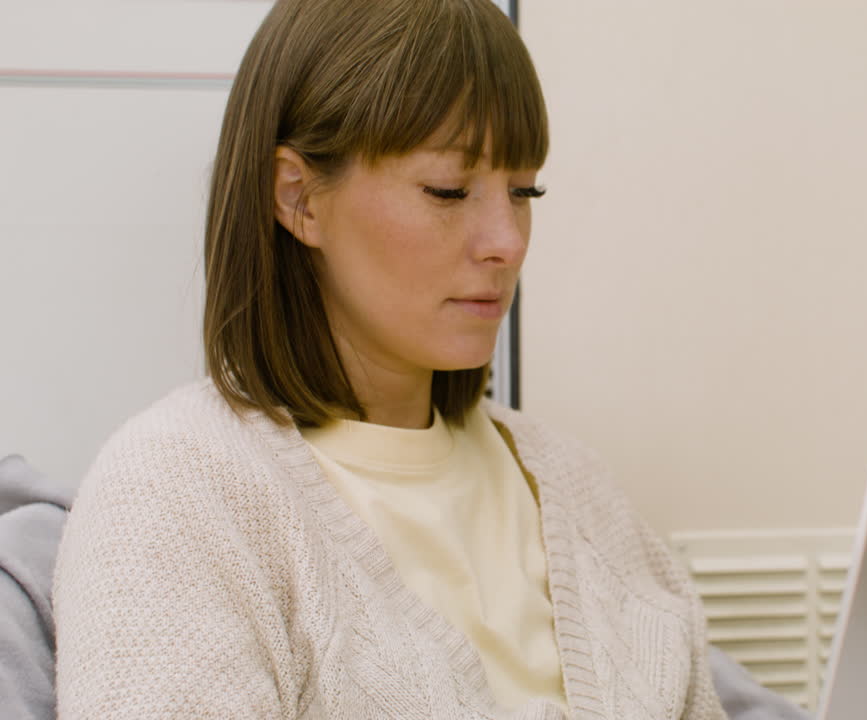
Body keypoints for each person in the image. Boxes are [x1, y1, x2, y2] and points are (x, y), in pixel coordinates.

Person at [51, 0, 744, 717]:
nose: (506, 240)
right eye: (448, 190)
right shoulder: (174, 497)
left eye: (524, 191)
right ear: (299, 198)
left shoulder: (580, 490)